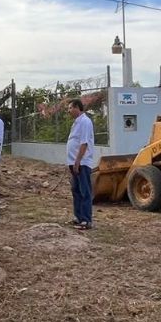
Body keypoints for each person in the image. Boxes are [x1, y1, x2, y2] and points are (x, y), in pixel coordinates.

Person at [66, 98, 96, 230]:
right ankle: (78, 217)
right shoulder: (76, 123)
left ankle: (86, 220)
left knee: (84, 191)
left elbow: (84, 143)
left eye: (70, 108)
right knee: (76, 190)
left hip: (82, 162)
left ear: (77, 108)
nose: (69, 111)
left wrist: (78, 161)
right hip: (74, 162)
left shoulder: (85, 122)